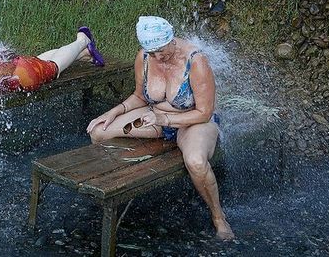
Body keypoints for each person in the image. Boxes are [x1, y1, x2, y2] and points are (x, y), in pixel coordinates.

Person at [86, 16, 233, 240]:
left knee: (195, 161)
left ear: (171, 39)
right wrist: (113, 112)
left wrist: (164, 119)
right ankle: (120, 189)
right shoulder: (144, 57)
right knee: (98, 131)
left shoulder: (196, 61)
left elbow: (204, 112)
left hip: (192, 122)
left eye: (161, 51)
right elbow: (139, 96)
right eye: (152, 52)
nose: (157, 57)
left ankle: (218, 217)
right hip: (155, 118)